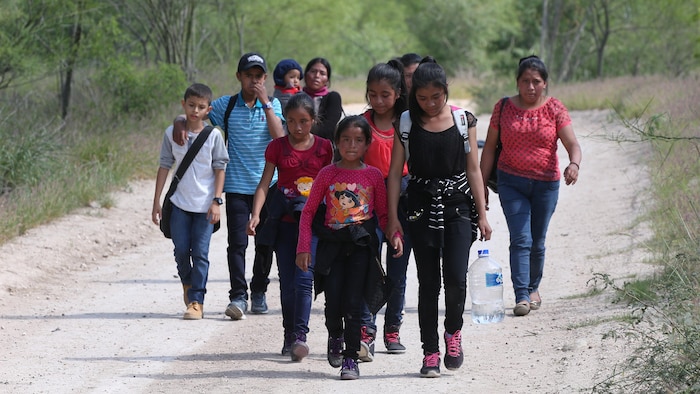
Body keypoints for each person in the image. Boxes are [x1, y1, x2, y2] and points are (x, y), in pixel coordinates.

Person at [386, 56, 492, 378]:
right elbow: (393, 175)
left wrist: (483, 215)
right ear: (412, 93)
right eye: (422, 98)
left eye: (436, 96)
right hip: (419, 207)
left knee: (457, 280)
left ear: (446, 91)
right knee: (429, 282)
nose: (429, 104)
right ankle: (430, 351)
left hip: (459, 207)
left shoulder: (464, 121)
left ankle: (453, 333)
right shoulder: (405, 123)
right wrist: (393, 218)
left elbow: (473, 169)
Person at [173, 52, 285, 319]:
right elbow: (196, 113)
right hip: (235, 185)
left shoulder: (274, 105)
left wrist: (265, 102)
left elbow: (279, 136)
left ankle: (259, 290)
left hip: (268, 184)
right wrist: (179, 120)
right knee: (237, 243)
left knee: (265, 243)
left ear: (265, 78)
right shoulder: (227, 105)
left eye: (258, 76)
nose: (253, 81)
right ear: (239, 77)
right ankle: (238, 296)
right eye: (248, 76)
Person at [296, 115, 403, 380]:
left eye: (358, 140)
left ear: (367, 143)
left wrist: (394, 234)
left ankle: (351, 358)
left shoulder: (374, 175)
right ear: (336, 142)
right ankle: (335, 336)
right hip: (332, 246)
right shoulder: (327, 174)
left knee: (355, 304)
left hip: (360, 247)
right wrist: (303, 247)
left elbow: (383, 214)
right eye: (345, 139)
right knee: (333, 303)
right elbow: (308, 213)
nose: (351, 145)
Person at [479, 55, 581, 317]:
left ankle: (534, 287)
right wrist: (480, 187)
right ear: (517, 82)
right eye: (526, 81)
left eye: (536, 81)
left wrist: (574, 164)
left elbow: (572, 144)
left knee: (538, 241)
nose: (531, 87)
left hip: (546, 184)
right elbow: (489, 149)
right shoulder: (503, 108)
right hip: (511, 182)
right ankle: (522, 294)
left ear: (545, 83)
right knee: (521, 238)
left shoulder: (555, 109)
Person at [246, 94, 333, 361]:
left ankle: (300, 335)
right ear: (285, 120)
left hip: (313, 225)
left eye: (304, 121)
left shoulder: (324, 147)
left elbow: (331, 183)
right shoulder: (277, 147)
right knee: (287, 283)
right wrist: (256, 214)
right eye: (292, 121)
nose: (297, 128)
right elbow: (264, 183)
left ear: (314, 120)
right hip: (284, 223)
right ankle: (288, 333)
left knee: (305, 280)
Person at [151, 83, 229, 320]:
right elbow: (165, 165)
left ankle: (197, 301)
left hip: (205, 206)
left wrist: (217, 200)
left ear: (208, 109)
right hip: (179, 205)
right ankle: (187, 283)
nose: (195, 110)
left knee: (201, 254)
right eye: (191, 105)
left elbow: (220, 168)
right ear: (183, 104)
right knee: (181, 251)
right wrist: (156, 201)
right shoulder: (171, 134)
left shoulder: (214, 135)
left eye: (201, 107)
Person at [358, 59, 412, 360]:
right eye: (372, 94)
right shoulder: (361, 125)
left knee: (397, 269)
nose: (378, 101)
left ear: (397, 93)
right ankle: (367, 330)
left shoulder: (406, 123)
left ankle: (393, 328)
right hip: (366, 205)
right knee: (368, 267)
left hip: (402, 203)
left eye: (385, 95)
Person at [301, 57, 344, 142]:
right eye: (313, 71)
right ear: (305, 75)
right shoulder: (296, 97)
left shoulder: (333, 98)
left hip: (323, 148)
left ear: (327, 79)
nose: (317, 76)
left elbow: (328, 129)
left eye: (322, 73)